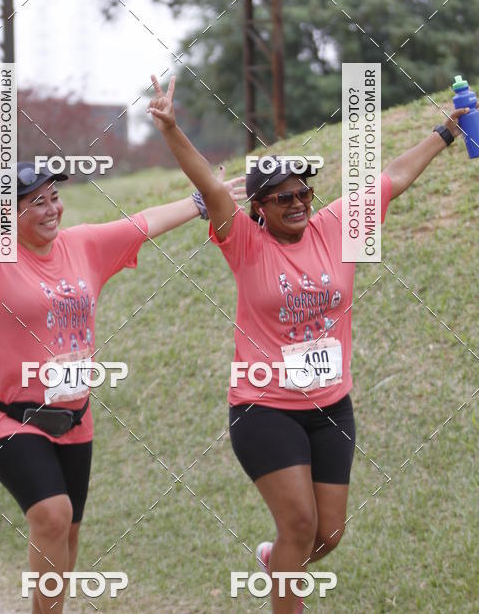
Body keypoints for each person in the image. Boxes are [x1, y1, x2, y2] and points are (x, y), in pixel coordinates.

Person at [147, 74, 469, 614]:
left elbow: (393, 176)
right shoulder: (244, 242)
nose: (297, 203)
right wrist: (173, 130)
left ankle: (277, 560)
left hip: (331, 406)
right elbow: (206, 183)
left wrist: (446, 132)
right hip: (264, 406)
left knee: (325, 536)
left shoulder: (337, 225)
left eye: (303, 192)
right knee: (298, 523)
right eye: (282, 198)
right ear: (258, 209)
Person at [0, 158, 243, 613]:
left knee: (67, 535)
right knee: (54, 515)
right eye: (37, 203)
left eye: (54, 199)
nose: (52, 210)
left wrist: (201, 199)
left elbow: (143, 223)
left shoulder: (85, 244)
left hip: (74, 418)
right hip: (7, 419)